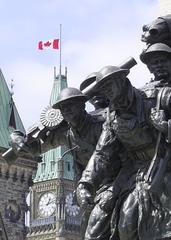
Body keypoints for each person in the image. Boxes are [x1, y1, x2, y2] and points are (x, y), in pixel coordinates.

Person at [8, 87, 109, 239]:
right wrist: (16, 138)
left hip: (111, 181)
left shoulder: (102, 123)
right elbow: (34, 148)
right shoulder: (66, 133)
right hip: (89, 190)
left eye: (70, 106)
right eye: (63, 108)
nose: (67, 110)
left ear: (82, 105)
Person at [76, 64, 160, 240]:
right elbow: (102, 153)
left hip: (161, 161)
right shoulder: (112, 116)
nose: (107, 91)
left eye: (109, 85)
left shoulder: (153, 98)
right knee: (125, 224)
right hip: (135, 170)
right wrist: (86, 184)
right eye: (103, 88)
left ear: (122, 81)